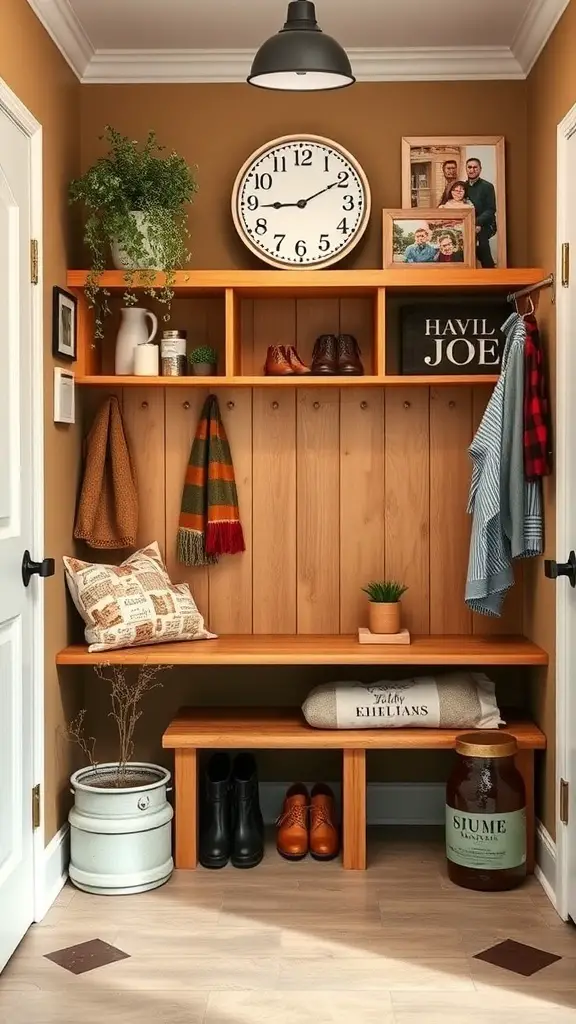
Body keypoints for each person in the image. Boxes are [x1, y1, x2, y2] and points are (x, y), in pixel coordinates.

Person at [466, 157, 497, 268]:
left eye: (475, 167)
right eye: (469, 167)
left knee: (481, 243)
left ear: (480, 169)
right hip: (467, 224)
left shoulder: (487, 186)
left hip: (485, 225)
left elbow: (491, 210)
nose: (472, 170)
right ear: (466, 169)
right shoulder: (463, 187)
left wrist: (476, 223)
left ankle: (489, 270)